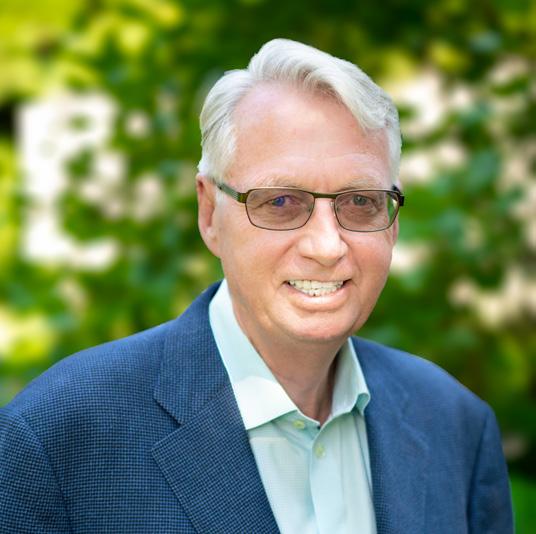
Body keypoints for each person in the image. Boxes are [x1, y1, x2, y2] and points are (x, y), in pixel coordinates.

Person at [0, 39, 513, 534]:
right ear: (209, 213)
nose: (326, 246)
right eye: (281, 202)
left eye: (360, 202)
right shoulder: (55, 441)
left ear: (393, 223)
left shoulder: (457, 427)